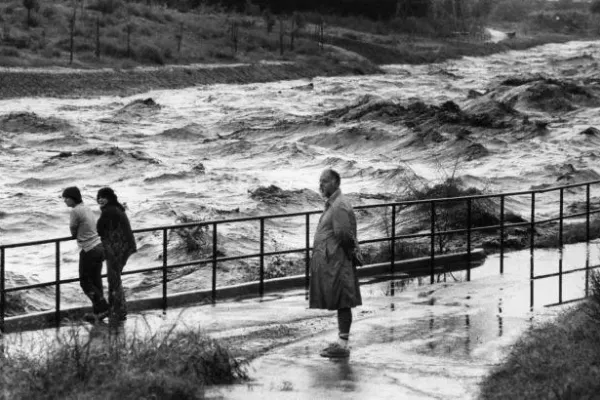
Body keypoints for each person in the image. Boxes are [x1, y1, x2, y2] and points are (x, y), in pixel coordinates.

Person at [309, 169, 363, 358]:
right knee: (341, 301)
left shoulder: (339, 205)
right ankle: (341, 341)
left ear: (335, 182)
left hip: (338, 262)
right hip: (334, 260)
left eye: (324, 181)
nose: (320, 185)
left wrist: (349, 254)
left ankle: (343, 344)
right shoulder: (335, 203)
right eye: (320, 181)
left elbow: (343, 234)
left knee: (343, 301)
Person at [62, 186, 109, 322]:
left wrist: (76, 234)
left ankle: (104, 308)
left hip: (89, 249)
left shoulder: (75, 211)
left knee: (85, 282)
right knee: (96, 280)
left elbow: (73, 230)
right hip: (99, 246)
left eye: (66, 198)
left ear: (72, 198)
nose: (65, 201)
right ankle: (98, 313)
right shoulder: (87, 208)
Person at [96, 187, 137, 324]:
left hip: (116, 249)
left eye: (103, 197)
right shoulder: (116, 208)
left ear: (110, 198)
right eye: (99, 197)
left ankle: (117, 311)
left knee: (114, 280)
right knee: (115, 279)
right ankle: (117, 309)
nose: (100, 199)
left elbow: (99, 229)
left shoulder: (109, 211)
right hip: (124, 248)